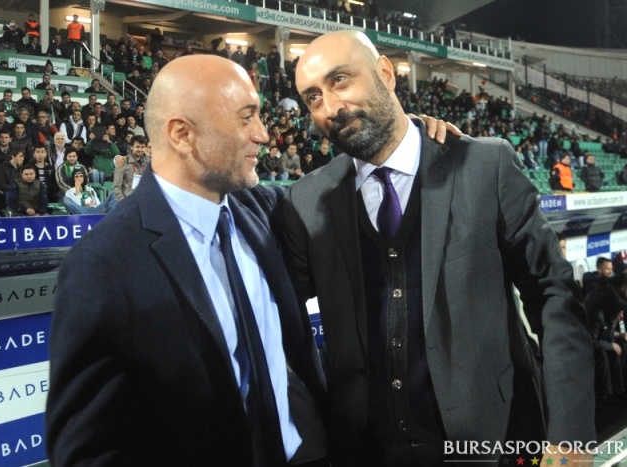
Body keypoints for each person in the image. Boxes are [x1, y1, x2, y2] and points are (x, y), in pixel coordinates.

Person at [284, 30, 594, 466]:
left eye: (340, 80)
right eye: (313, 97)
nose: (331, 107)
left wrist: (571, 436)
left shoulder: (485, 166)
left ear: (386, 73)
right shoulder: (306, 200)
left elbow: (554, 295)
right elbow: (275, 318)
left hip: (493, 443)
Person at [46, 54, 329, 465]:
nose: (263, 134)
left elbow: (335, 189)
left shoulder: (261, 209)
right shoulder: (101, 266)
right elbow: (86, 452)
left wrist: (408, 141)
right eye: (246, 118)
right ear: (182, 134)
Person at [112, 135, 149, 201]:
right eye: (137, 147)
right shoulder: (122, 162)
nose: (140, 149)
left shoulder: (148, 163)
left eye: (142, 147)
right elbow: (117, 187)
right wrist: (123, 202)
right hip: (127, 200)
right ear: (131, 147)